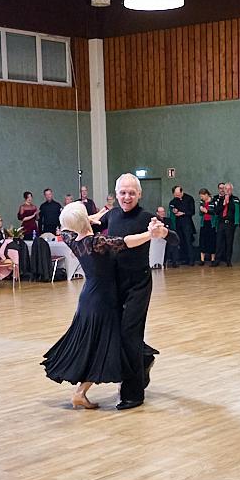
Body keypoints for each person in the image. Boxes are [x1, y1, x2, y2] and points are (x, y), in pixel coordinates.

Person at [42, 202, 165, 410]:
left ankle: (140, 361)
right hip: (103, 300)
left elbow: (67, 228)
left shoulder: (71, 239)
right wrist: (149, 234)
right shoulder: (97, 243)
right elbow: (126, 242)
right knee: (101, 347)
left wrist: (88, 219)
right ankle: (81, 392)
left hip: (88, 299)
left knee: (93, 344)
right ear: (85, 219)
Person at [95, 173, 173, 410]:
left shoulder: (147, 218)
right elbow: (91, 224)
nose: (127, 197)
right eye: (122, 192)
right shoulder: (111, 215)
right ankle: (144, 357)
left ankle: (133, 394)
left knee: (130, 333)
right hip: (115, 283)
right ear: (116, 194)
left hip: (139, 284)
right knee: (119, 333)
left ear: (139, 194)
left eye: (131, 193)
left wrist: (162, 233)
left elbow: (174, 238)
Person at [212, 183, 240, 267]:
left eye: (229, 189)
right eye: (226, 189)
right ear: (224, 190)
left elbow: (236, 210)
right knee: (219, 242)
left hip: (230, 224)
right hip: (221, 223)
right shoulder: (220, 199)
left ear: (231, 190)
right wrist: (224, 204)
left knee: (229, 243)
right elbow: (216, 211)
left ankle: (228, 260)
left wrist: (229, 203)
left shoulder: (235, 199)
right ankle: (217, 260)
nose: (227, 190)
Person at [168, 185, 196, 266]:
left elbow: (192, 211)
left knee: (188, 241)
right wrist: (174, 210)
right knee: (181, 241)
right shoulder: (173, 201)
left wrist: (183, 213)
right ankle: (185, 258)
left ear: (182, 192)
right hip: (178, 224)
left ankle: (191, 259)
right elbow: (171, 207)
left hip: (187, 223)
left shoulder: (189, 198)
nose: (177, 196)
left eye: (178, 194)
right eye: (175, 195)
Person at [197, 188, 216, 265]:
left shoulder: (214, 201)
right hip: (204, 223)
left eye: (202, 196)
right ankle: (202, 259)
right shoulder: (202, 202)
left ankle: (213, 259)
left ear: (206, 194)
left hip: (211, 223)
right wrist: (201, 210)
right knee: (202, 240)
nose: (201, 198)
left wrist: (207, 211)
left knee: (212, 240)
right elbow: (200, 213)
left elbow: (215, 211)